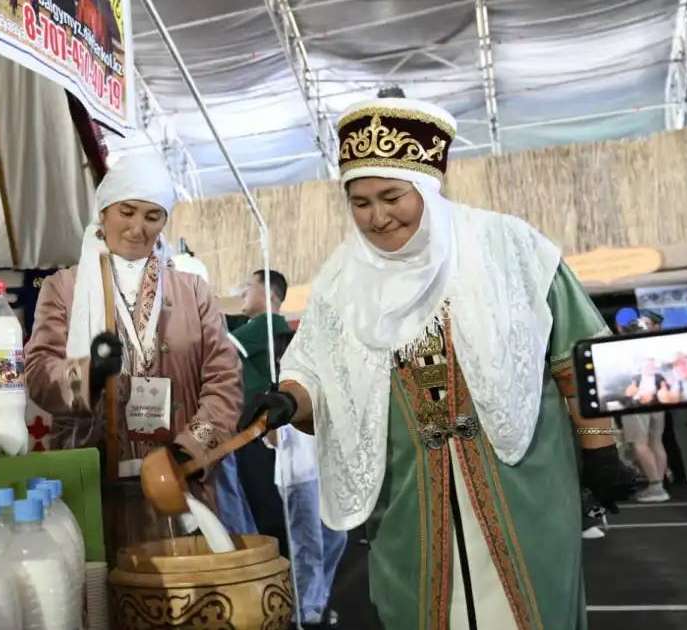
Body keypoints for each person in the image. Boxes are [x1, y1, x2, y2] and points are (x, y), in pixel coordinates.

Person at [239, 96, 638, 629]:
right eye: (360, 202)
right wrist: (289, 399)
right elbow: (315, 370)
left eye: (391, 197)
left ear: (426, 186)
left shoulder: (510, 247)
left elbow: (578, 354)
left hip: (522, 487)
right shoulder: (340, 280)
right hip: (408, 501)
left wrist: (600, 452)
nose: (378, 217)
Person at [23, 153, 242, 560]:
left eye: (152, 216)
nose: (138, 228)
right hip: (96, 489)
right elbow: (38, 374)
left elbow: (224, 382)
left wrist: (189, 451)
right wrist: (88, 375)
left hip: (179, 484)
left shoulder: (192, 291)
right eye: (127, 211)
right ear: (103, 211)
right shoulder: (64, 289)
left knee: (185, 589)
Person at [223, 269, 347, 628]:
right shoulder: (279, 374)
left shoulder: (268, 327)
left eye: (248, 286)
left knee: (332, 537)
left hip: (315, 468)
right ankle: (307, 610)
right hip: (296, 470)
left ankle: (312, 601)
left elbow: (226, 346)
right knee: (309, 542)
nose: (242, 293)